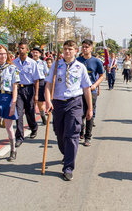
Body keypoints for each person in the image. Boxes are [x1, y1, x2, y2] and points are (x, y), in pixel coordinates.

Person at [45, 40, 92, 181]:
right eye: (65, 49)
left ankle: (68, 167)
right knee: (60, 133)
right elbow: (48, 84)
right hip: (58, 103)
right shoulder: (56, 65)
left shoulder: (80, 67)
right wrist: (48, 100)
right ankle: (67, 154)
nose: (67, 51)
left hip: (75, 103)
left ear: (76, 51)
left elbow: (86, 88)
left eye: (70, 49)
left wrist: (90, 108)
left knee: (72, 134)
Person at [76, 39, 104, 146]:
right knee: (79, 113)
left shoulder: (96, 61)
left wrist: (95, 85)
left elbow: (101, 76)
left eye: (87, 47)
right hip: (79, 91)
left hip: (91, 91)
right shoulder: (77, 60)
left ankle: (88, 137)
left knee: (89, 113)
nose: (84, 48)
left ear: (91, 48)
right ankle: (80, 131)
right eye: (83, 46)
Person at [13, 39, 40, 147]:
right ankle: (19, 136)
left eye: (23, 48)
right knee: (18, 114)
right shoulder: (14, 63)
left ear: (27, 50)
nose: (21, 50)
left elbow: (36, 80)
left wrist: (36, 94)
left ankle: (34, 127)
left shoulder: (32, 63)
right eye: (19, 48)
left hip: (29, 90)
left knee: (30, 112)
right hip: (18, 89)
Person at [32, 47, 49, 125]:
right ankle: (32, 121)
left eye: (37, 52)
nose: (35, 54)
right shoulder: (29, 62)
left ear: (39, 54)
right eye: (34, 52)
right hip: (31, 83)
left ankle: (43, 117)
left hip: (41, 82)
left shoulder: (43, 63)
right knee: (31, 102)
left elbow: (46, 73)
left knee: (40, 102)